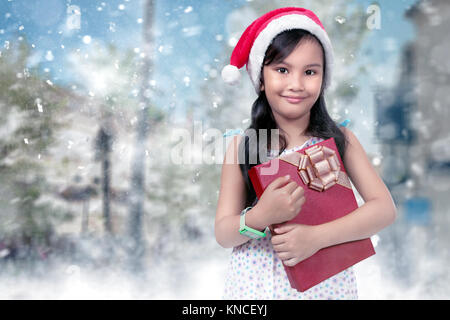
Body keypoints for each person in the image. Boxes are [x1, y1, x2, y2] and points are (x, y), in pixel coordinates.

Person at [215, 7, 397, 299]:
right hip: (255, 289)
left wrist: (315, 238)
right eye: (282, 70)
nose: (296, 84)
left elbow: (384, 209)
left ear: (323, 79)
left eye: (310, 71)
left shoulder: (340, 140)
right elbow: (224, 233)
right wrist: (260, 216)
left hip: (325, 287)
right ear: (260, 78)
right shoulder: (242, 146)